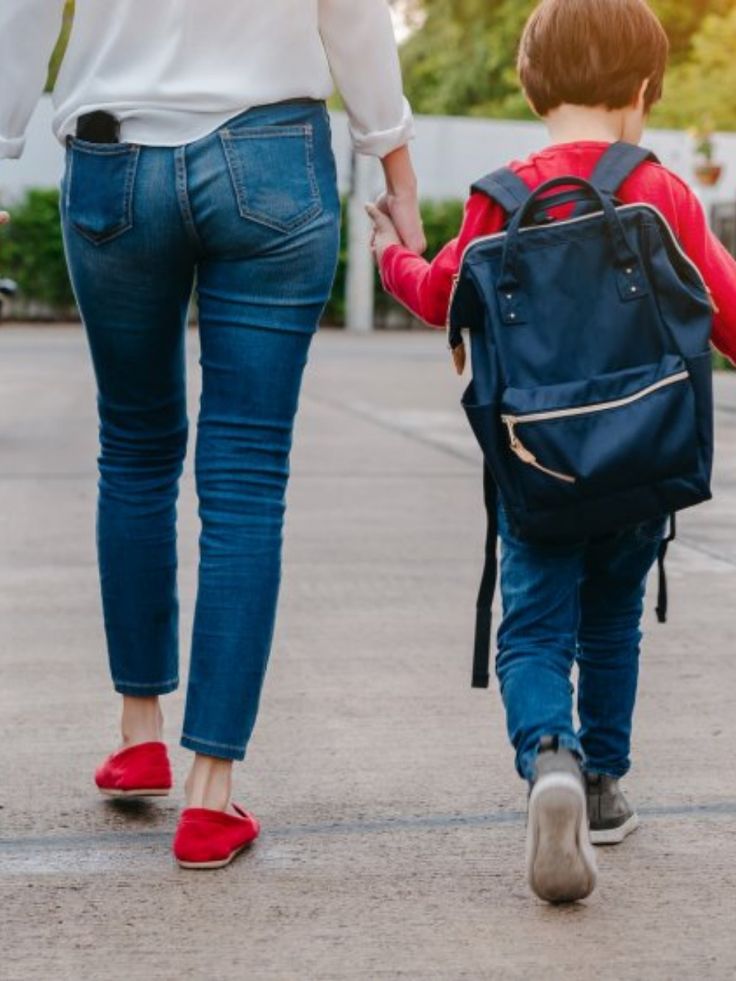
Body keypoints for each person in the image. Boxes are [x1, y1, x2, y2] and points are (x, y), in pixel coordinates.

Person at [0, 0, 424, 870]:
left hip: (114, 157)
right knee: (246, 477)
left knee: (134, 448)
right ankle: (209, 795)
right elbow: (352, 15)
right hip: (272, 158)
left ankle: (138, 734)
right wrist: (396, 166)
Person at [368, 0, 736, 902]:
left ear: (532, 88)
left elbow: (438, 296)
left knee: (534, 629)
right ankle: (603, 786)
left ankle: (550, 758)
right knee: (612, 619)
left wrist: (388, 254)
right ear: (643, 89)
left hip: (535, 467)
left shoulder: (499, 197)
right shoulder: (660, 192)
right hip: (643, 463)